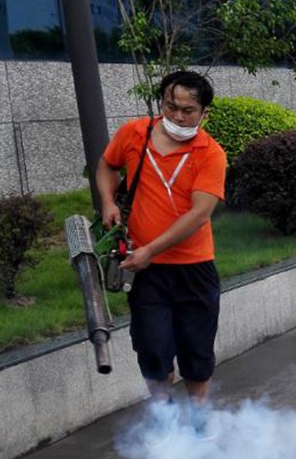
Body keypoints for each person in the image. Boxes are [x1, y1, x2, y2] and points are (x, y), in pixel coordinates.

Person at [96, 70, 227, 408]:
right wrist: (109, 202)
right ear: (162, 103)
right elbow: (107, 166)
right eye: (171, 107)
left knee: (197, 350)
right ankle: (165, 422)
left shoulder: (210, 154)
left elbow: (199, 214)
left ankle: (199, 419)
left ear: (204, 113)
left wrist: (151, 250)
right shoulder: (134, 134)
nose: (178, 116)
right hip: (147, 273)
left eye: (188, 111)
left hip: (193, 268)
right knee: (152, 348)